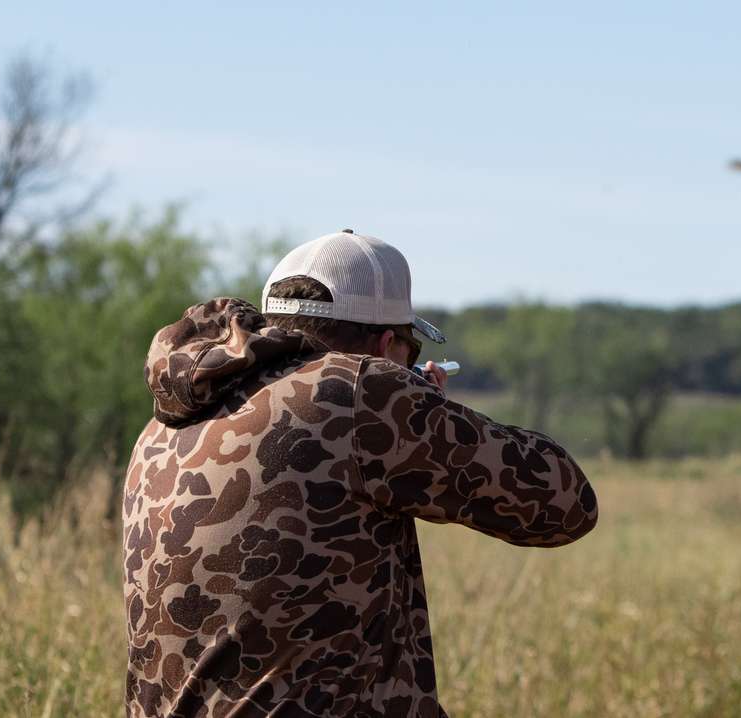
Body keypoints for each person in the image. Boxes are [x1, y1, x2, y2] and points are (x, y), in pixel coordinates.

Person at [122, 229, 598, 717]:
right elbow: (565, 505)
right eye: (408, 348)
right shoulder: (360, 390)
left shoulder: (163, 423)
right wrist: (421, 404)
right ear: (388, 342)